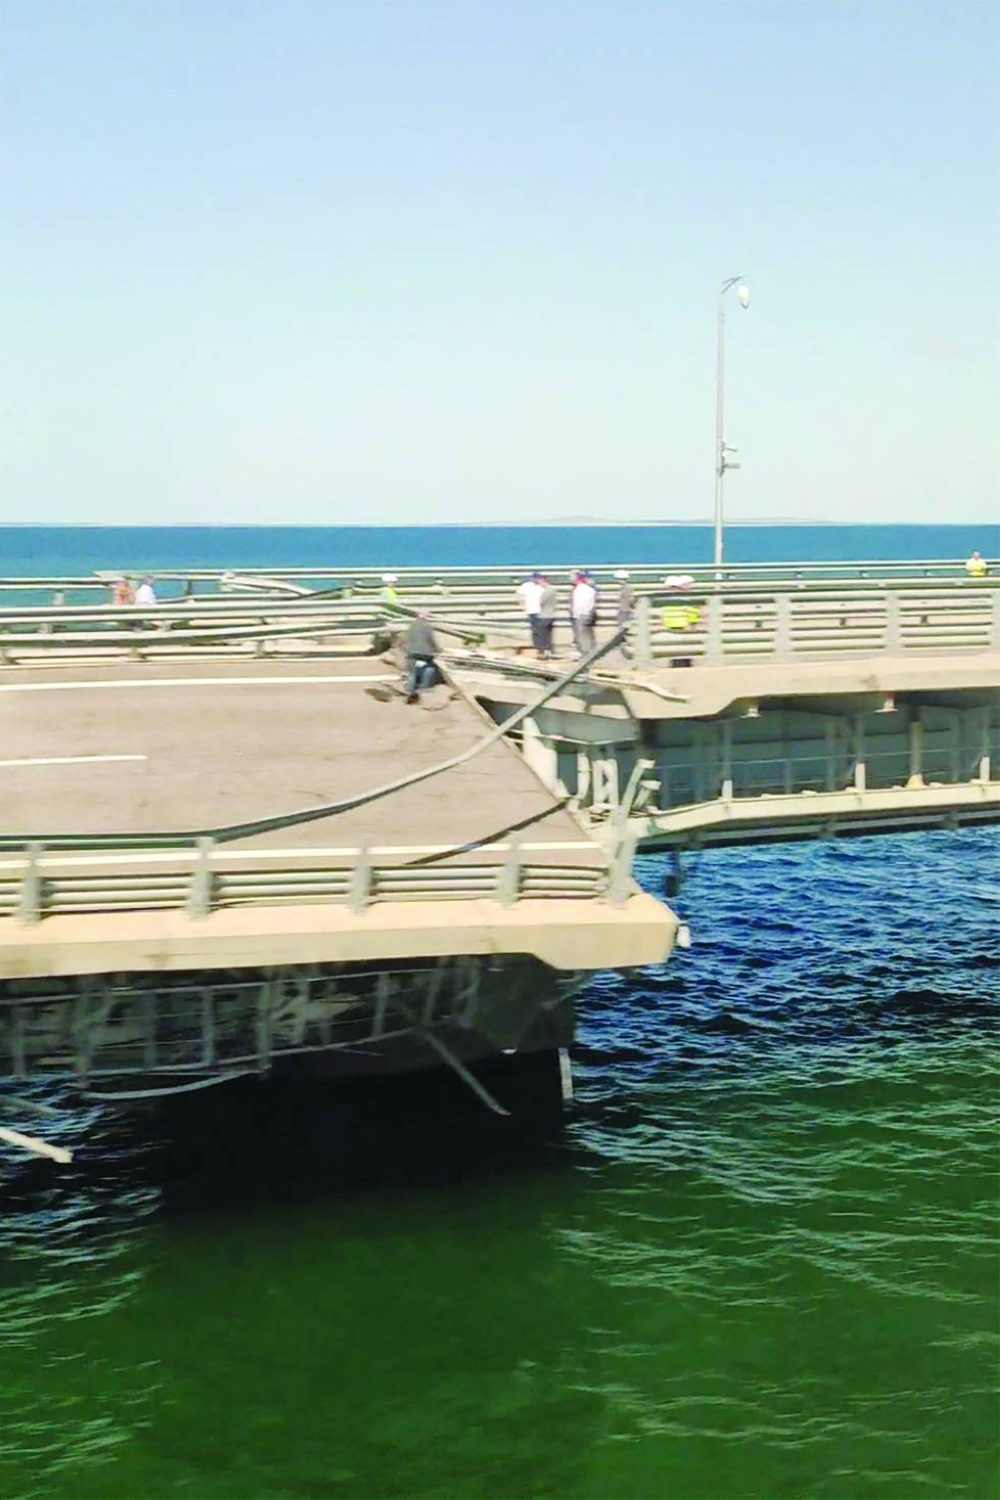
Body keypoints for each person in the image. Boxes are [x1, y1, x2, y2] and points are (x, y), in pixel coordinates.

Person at [403, 611, 439, 704]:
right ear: (425, 617)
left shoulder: (411, 626)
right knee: (428, 670)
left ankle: (410, 691)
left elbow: (406, 639)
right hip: (424, 654)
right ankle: (422, 690)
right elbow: (431, 640)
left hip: (412, 653)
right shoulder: (427, 626)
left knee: (413, 673)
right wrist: (438, 650)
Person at [571, 570, 598, 655]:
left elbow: (578, 604)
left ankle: (585, 652)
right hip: (589, 613)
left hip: (581, 614)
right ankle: (592, 650)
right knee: (589, 633)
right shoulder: (591, 589)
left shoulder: (578, 590)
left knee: (582, 635)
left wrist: (576, 614)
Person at [516, 572, 544, 650]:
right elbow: (519, 595)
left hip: (541, 611)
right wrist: (522, 606)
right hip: (532, 611)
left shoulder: (541, 587)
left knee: (542, 629)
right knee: (535, 629)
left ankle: (542, 645)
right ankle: (537, 645)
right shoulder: (526, 586)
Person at [536, 575, 557, 658]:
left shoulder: (546, 591)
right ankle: (549, 650)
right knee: (548, 634)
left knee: (542, 634)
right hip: (551, 615)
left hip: (544, 615)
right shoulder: (553, 590)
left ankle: (542, 651)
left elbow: (541, 602)